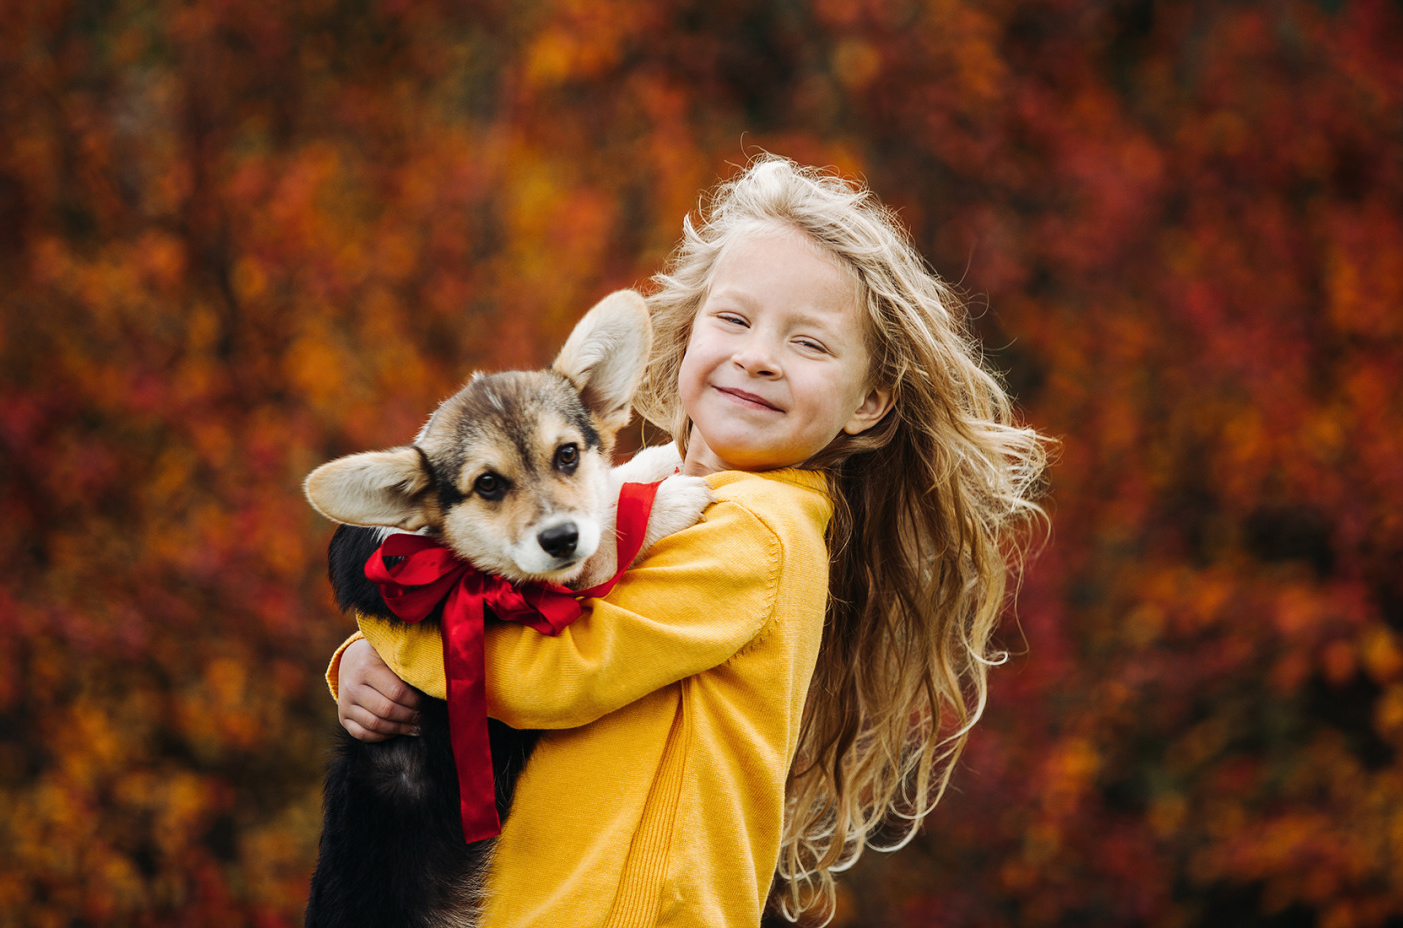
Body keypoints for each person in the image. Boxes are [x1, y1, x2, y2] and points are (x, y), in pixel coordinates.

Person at [329, 156, 1049, 926]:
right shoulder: (630, 480)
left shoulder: (761, 536)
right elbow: (488, 605)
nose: (758, 356)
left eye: (810, 344)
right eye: (735, 320)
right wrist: (362, 670)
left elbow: (559, 676)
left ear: (869, 401)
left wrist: (400, 641)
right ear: (687, 333)